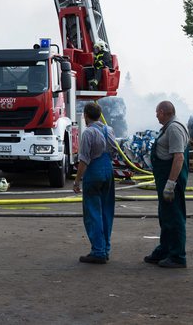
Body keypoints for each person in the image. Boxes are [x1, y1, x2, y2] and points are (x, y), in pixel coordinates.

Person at [144, 100, 189, 268]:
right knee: (165, 216)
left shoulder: (175, 128)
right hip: (164, 178)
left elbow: (179, 157)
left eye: (157, 113)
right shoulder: (169, 127)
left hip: (171, 180)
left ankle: (177, 256)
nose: (156, 116)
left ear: (163, 112)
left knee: (174, 217)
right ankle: (165, 249)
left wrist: (171, 184)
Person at [73, 101, 116, 264]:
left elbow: (84, 160)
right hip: (108, 171)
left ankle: (97, 251)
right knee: (106, 211)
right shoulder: (108, 129)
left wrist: (77, 181)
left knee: (93, 212)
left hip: (94, 171)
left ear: (85, 116)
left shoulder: (88, 133)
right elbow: (114, 150)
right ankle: (105, 249)